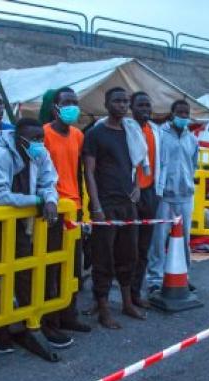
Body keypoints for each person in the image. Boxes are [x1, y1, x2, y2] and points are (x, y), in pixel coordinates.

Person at [0, 117, 59, 354]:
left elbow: (49, 181)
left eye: (40, 138)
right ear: (18, 138)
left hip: (21, 223)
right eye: (33, 139)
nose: (38, 143)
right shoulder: (0, 156)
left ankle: (27, 323)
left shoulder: (40, 154)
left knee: (24, 271)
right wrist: (37, 201)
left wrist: (51, 200)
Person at [83, 87, 146, 329]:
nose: (122, 105)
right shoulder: (96, 134)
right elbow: (89, 171)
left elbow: (135, 164)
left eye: (125, 101)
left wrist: (138, 186)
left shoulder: (130, 132)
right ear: (106, 103)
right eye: (117, 101)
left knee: (128, 254)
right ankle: (104, 308)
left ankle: (127, 303)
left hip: (127, 204)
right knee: (103, 258)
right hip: (105, 206)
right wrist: (96, 206)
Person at [42, 87, 90, 345]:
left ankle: (68, 314)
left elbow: (79, 171)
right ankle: (49, 321)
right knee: (51, 267)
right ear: (55, 108)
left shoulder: (78, 135)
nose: (73, 106)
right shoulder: (44, 134)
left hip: (74, 209)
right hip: (52, 210)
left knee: (72, 266)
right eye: (67, 102)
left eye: (75, 102)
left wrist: (82, 206)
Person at [146, 100, 198, 294]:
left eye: (186, 113)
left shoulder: (192, 139)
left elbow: (193, 164)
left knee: (184, 240)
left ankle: (183, 276)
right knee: (158, 239)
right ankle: (155, 279)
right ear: (172, 113)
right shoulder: (160, 135)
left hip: (185, 196)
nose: (183, 116)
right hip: (164, 196)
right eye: (180, 112)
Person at [129, 91, 159, 306]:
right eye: (140, 105)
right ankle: (123, 294)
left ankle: (135, 292)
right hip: (130, 194)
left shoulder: (154, 130)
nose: (145, 109)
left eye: (148, 105)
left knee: (143, 248)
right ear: (132, 108)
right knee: (126, 247)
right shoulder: (126, 129)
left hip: (149, 193)